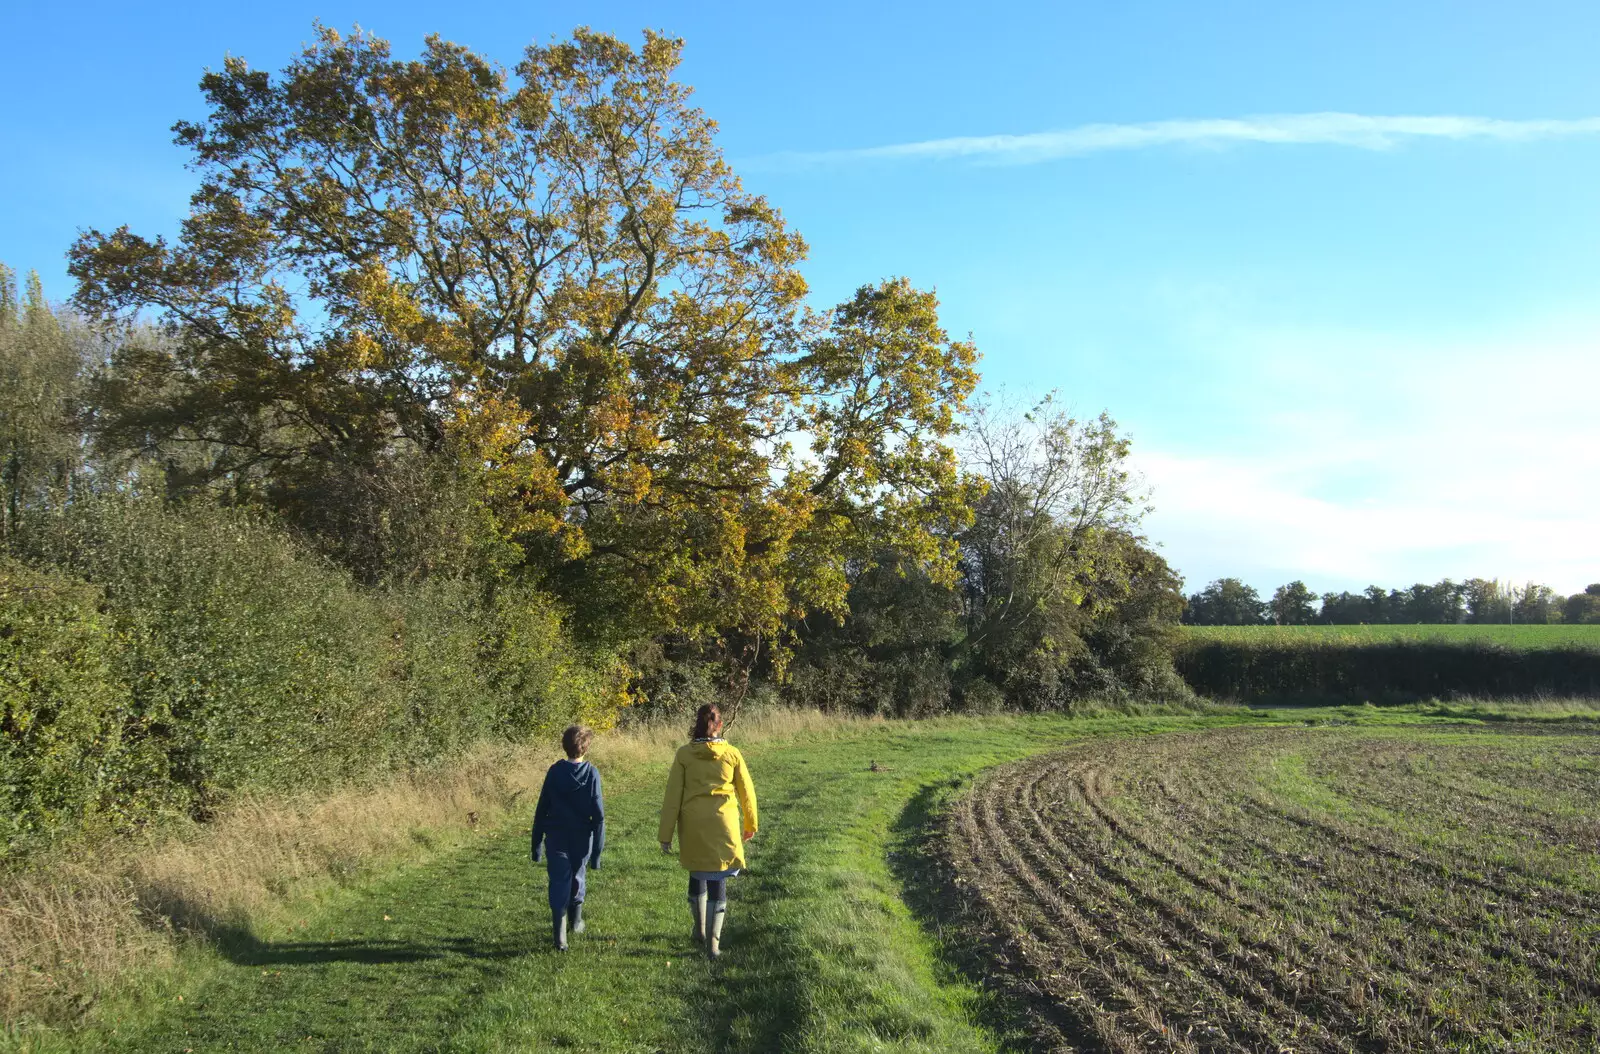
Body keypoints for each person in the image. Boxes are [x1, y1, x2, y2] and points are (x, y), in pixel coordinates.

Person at [657, 703, 758, 960]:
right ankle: (713, 944)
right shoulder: (732, 754)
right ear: (720, 725)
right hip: (723, 824)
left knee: (697, 870)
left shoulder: (684, 755)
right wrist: (750, 824)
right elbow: (747, 793)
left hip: (692, 824)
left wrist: (665, 834)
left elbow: (672, 797)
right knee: (718, 878)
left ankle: (699, 930)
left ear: (697, 724)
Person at [531, 724, 605, 952]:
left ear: (564, 746)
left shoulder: (554, 772)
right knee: (577, 878)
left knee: (559, 881)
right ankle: (576, 922)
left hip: (555, 837)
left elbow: (541, 808)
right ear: (586, 748)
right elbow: (599, 816)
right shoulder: (591, 773)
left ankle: (560, 936)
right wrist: (597, 854)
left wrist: (536, 844)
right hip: (582, 839)